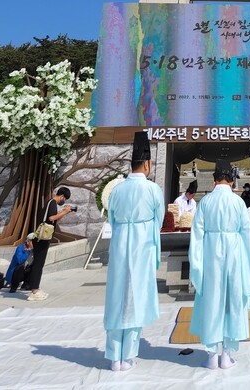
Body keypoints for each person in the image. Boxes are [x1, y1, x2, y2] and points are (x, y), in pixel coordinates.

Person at [103, 131, 165, 372]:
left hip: (120, 246)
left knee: (117, 296)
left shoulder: (117, 190)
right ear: (148, 164)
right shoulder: (152, 190)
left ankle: (113, 355)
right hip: (142, 247)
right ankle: (128, 355)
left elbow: (113, 220)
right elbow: (158, 220)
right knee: (135, 298)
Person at [189, 159, 250, 370]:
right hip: (234, 254)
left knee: (211, 300)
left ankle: (211, 355)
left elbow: (196, 236)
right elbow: (247, 235)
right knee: (231, 300)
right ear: (231, 179)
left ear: (214, 179)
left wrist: (196, 264)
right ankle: (226, 355)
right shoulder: (238, 202)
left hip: (210, 253)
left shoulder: (206, 202)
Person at [26, 186, 73, 301]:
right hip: (42, 239)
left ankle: (35, 287)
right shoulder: (52, 202)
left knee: (38, 263)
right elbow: (51, 218)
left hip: (43, 238)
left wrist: (63, 213)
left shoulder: (51, 203)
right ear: (62, 196)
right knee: (38, 264)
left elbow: (52, 220)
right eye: (64, 199)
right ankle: (34, 290)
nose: (64, 201)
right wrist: (64, 211)